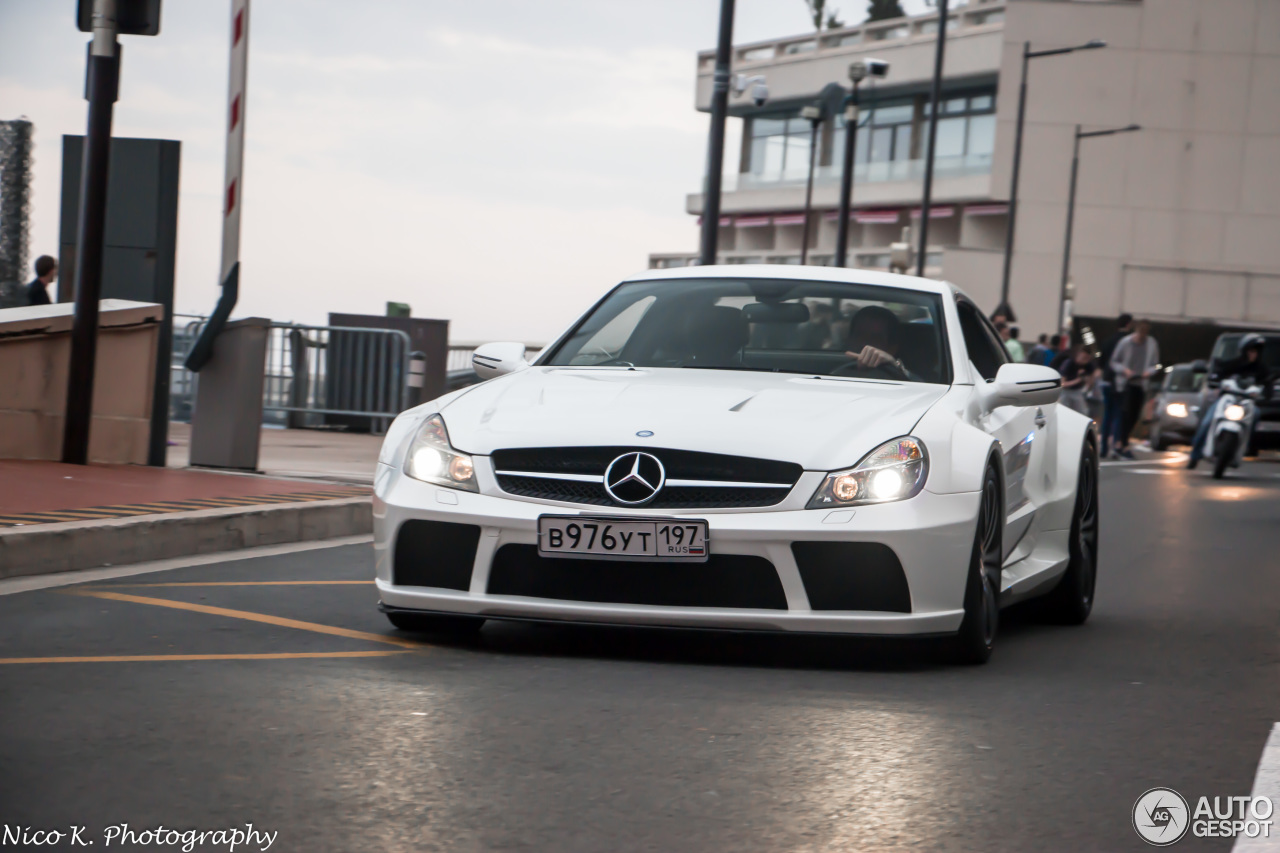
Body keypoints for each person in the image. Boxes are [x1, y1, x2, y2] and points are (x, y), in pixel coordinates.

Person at [1187, 333, 1274, 469]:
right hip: (1227, 399)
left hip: (1247, 403)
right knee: (1206, 422)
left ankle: (1246, 447)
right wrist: (1214, 380)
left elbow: (1268, 383)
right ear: (1244, 351)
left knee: (1256, 415)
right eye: (1251, 351)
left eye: (1256, 352)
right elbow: (1217, 374)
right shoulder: (1231, 364)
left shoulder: (1262, 370)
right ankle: (1195, 455)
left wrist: (1268, 392)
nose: (1253, 354)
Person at [1109, 319, 1160, 459]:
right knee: (1125, 414)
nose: (1143, 334)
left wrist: (1148, 372)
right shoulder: (1125, 342)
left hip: (1141, 384)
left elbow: (1155, 364)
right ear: (1136, 329)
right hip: (1126, 384)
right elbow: (1114, 361)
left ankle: (1121, 444)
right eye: (1141, 330)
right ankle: (1121, 445)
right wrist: (1125, 371)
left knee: (1134, 415)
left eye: (1146, 331)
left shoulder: (1151, 343)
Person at [1098, 313, 1134, 458]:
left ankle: (1103, 448)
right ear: (1128, 324)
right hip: (1121, 382)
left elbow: (1101, 363)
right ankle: (1115, 447)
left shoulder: (1108, 341)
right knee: (1119, 414)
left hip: (1106, 381)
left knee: (1107, 414)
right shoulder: (1128, 342)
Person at [842, 305, 913, 378]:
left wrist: (894, 365)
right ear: (849, 339)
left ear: (892, 348)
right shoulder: (832, 364)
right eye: (859, 335)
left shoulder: (903, 379)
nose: (864, 344)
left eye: (874, 338)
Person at [1058, 345, 1100, 416]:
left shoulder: (1088, 365)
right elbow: (1062, 384)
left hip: (1078, 391)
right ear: (1078, 354)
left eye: (1087, 359)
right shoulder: (1069, 363)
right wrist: (1078, 380)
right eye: (1083, 358)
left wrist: (1088, 385)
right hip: (1065, 391)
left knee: (1083, 412)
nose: (1085, 361)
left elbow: (1092, 377)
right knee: (1063, 411)